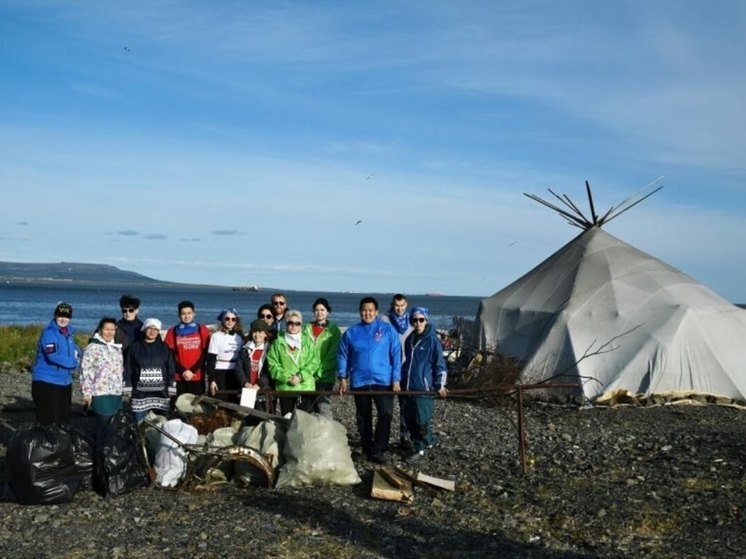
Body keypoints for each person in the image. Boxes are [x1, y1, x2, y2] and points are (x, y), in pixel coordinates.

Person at [337, 297, 401, 464]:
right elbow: (343, 355)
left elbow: (396, 354)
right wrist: (342, 377)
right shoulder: (351, 332)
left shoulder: (386, 330)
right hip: (360, 381)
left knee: (385, 414)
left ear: (376, 312)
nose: (367, 313)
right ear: (360, 312)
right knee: (363, 416)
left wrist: (396, 379)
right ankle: (366, 448)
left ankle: (380, 449)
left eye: (370, 310)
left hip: (383, 380)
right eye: (364, 310)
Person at [400, 307, 448, 462]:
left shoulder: (433, 340)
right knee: (410, 420)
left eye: (421, 319)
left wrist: (440, 384)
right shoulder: (409, 339)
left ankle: (420, 448)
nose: (418, 323)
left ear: (426, 320)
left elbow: (440, 364)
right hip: (408, 387)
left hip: (424, 388)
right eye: (415, 320)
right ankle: (424, 443)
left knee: (422, 421)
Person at [30, 302, 80, 425]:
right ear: (55, 316)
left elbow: (76, 351)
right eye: (60, 316)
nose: (63, 319)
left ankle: (60, 442)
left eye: (67, 317)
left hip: (64, 381)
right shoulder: (49, 333)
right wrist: (74, 363)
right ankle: (44, 443)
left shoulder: (69, 334)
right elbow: (53, 356)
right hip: (47, 381)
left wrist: (81, 358)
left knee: (63, 418)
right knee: (47, 419)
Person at [80, 317, 124, 445]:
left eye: (112, 330)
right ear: (100, 330)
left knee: (114, 426)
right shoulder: (92, 347)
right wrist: (87, 393)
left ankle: (111, 458)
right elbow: (85, 371)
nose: (109, 332)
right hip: (100, 393)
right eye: (106, 329)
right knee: (102, 426)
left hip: (116, 393)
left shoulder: (116, 347)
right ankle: (99, 459)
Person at [267, 309, 320, 416]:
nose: (293, 326)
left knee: (306, 422)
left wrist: (300, 376)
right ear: (286, 324)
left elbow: (314, 362)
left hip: (305, 387)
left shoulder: (308, 342)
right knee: (287, 420)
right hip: (286, 388)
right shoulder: (278, 342)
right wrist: (287, 377)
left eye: (297, 323)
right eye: (290, 323)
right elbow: (272, 364)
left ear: (301, 325)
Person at [123, 318, 176, 423]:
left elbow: (170, 368)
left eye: (155, 329)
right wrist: (127, 388)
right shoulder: (134, 347)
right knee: (139, 423)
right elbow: (128, 368)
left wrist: (171, 387)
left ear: (158, 332)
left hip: (161, 394)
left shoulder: (165, 348)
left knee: (161, 425)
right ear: (144, 329)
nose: (152, 331)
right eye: (150, 328)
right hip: (139, 394)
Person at [303, 297, 341, 418]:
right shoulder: (306, 328)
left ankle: (327, 434)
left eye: (322, 310)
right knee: (307, 407)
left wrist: (319, 373)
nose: (319, 312)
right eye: (316, 310)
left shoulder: (333, 331)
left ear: (327, 312)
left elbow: (333, 354)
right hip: (307, 374)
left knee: (323, 406)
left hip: (325, 375)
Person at [164, 300, 211, 397]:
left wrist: (192, 371)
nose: (186, 316)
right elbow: (170, 355)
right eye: (183, 314)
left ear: (194, 314)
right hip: (179, 376)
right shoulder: (172, 331)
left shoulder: (202, 329)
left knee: (196, 407)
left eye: (189, 313)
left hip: (197, 375)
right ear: (179, 315)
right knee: (178, 406)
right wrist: (183, 371)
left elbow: (205, 354)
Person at [236, 319, 273, 411]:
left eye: (260, 332)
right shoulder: (245, 349)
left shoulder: (270, 350)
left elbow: (270, 370)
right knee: (247, 415)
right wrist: (245, 383)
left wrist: (259, 384)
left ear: (265, 334)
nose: (257, 335)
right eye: (254, 332)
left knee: (265, 416)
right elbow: (239, 369)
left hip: (264, 389)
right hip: (248, 388)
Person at [206, 308, 243, 399]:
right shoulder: (216, 336)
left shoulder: (239, 337)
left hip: (235, 373)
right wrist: (212, 380)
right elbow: (211, 360)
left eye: (233, 319)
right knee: (219, 401)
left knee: (234, 402)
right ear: (222, 320)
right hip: (219, 372)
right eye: (227, 319)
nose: (230, 321)